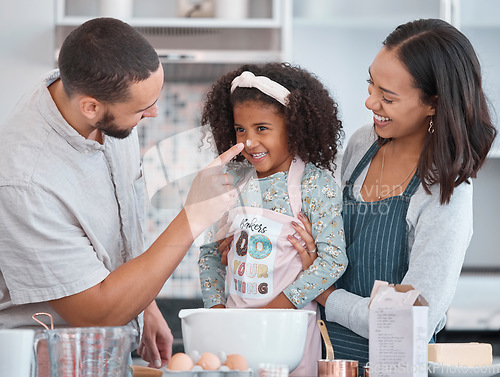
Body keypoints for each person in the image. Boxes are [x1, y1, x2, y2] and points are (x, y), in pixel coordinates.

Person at [0, 17, 243, 372]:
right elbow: (98, 312)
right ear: (91, 107)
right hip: (46, 363)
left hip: (102, 354)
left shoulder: (95, 104)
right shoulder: (25, 183)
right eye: (142, 110)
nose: (154, 113)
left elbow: (112, 239)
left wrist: (145, 305)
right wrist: (194, 216)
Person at [294, 18, 497, 369]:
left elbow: (413, 320)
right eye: (370, 85)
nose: (370, 102)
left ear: (433, 103)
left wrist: (327, 294)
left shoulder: (445, 189)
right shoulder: (363, 143)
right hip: (322, 358)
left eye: (388, 97)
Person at [197, 63, 348, 377]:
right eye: (241, 129)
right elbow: (210, 252)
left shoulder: (314, 184)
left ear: (294, 127)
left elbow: (333, 260)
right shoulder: (231, 182)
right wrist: (216, 311)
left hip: (287, 332)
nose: (249, 141)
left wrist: (276, 308)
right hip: (234, 333)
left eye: (261, 128)